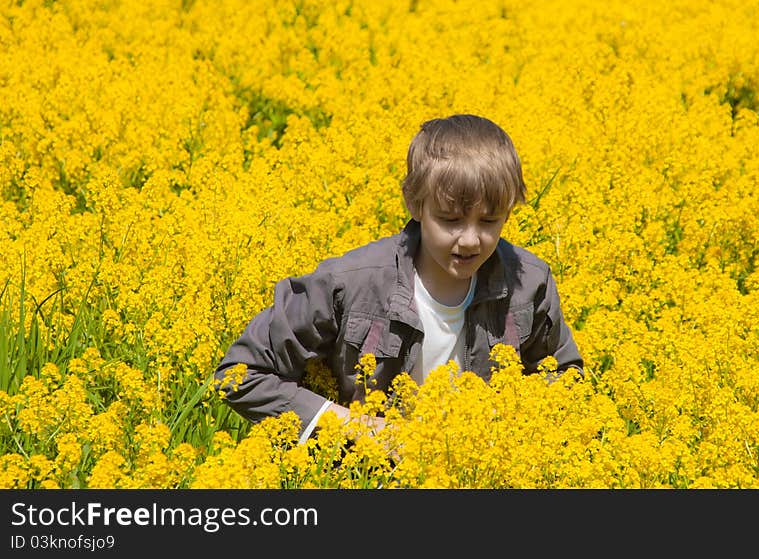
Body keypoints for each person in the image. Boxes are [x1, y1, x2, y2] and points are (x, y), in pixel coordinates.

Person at [214, 114, 584, 444]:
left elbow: (565, 376)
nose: (471, 239)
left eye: (490, 221)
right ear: (414, 204)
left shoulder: (529, 283)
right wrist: (356, 428)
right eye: (451, 220)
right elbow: (238, 375)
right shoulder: (350, 283)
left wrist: (506, 421)